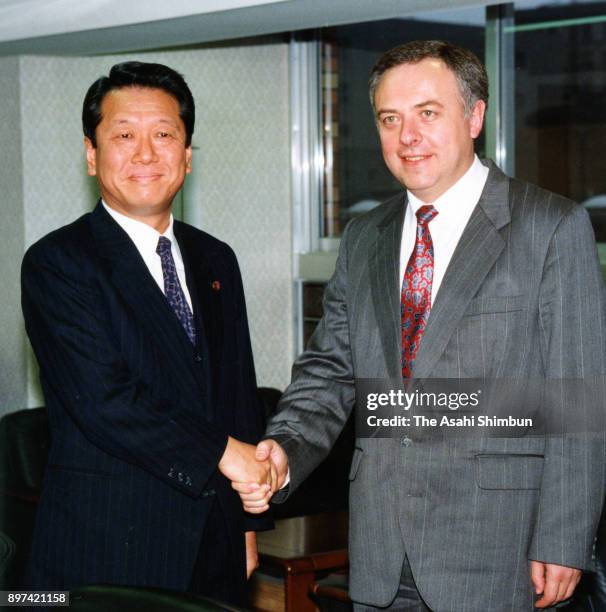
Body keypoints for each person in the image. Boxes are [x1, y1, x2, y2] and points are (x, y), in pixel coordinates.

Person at [233, 41, 606, 611]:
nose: (407, 136)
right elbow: (330, 372)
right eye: (390, 119)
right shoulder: (364, 238)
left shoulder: (551, 227)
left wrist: (564, 538)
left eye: (427, 113)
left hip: (501, 550)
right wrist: (282, 450)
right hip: (381, 549)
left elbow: (578, 399)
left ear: (475, 116)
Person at [21, 61, 272, 606]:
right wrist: (226, 454)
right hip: (107, 546)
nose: (144, 154)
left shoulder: (216, 258)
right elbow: (105, 402)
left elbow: (236, 394)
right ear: (91, 155)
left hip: (213, 541)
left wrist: (247, 526)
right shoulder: (58, 262)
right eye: (123, 136)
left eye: (163, 135)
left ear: (186, 155)